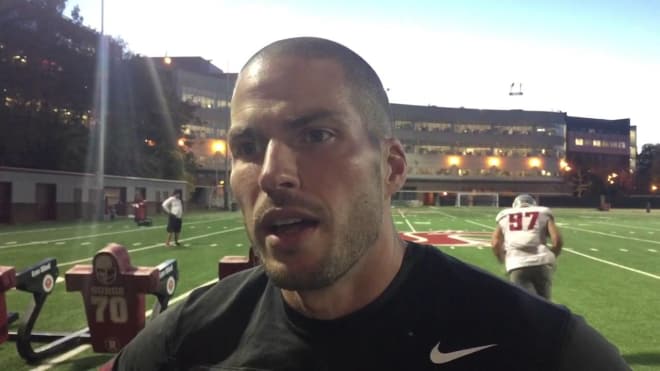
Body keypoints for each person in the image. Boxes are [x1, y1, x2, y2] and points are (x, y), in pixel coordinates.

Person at [113, 37, 628, 370]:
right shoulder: (188, 340)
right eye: (246, 148)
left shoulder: (541, 349)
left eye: (315, 135)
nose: (272, 173)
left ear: (392, 168)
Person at [491, 194, 563, 300]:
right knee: (546, 305)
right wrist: (552, 256)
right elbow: (557, 241)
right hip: (542, 262)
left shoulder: (505, 215)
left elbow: (495, 243)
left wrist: (501, 259)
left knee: (525, 305)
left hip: (517, 263)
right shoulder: (543, 212)